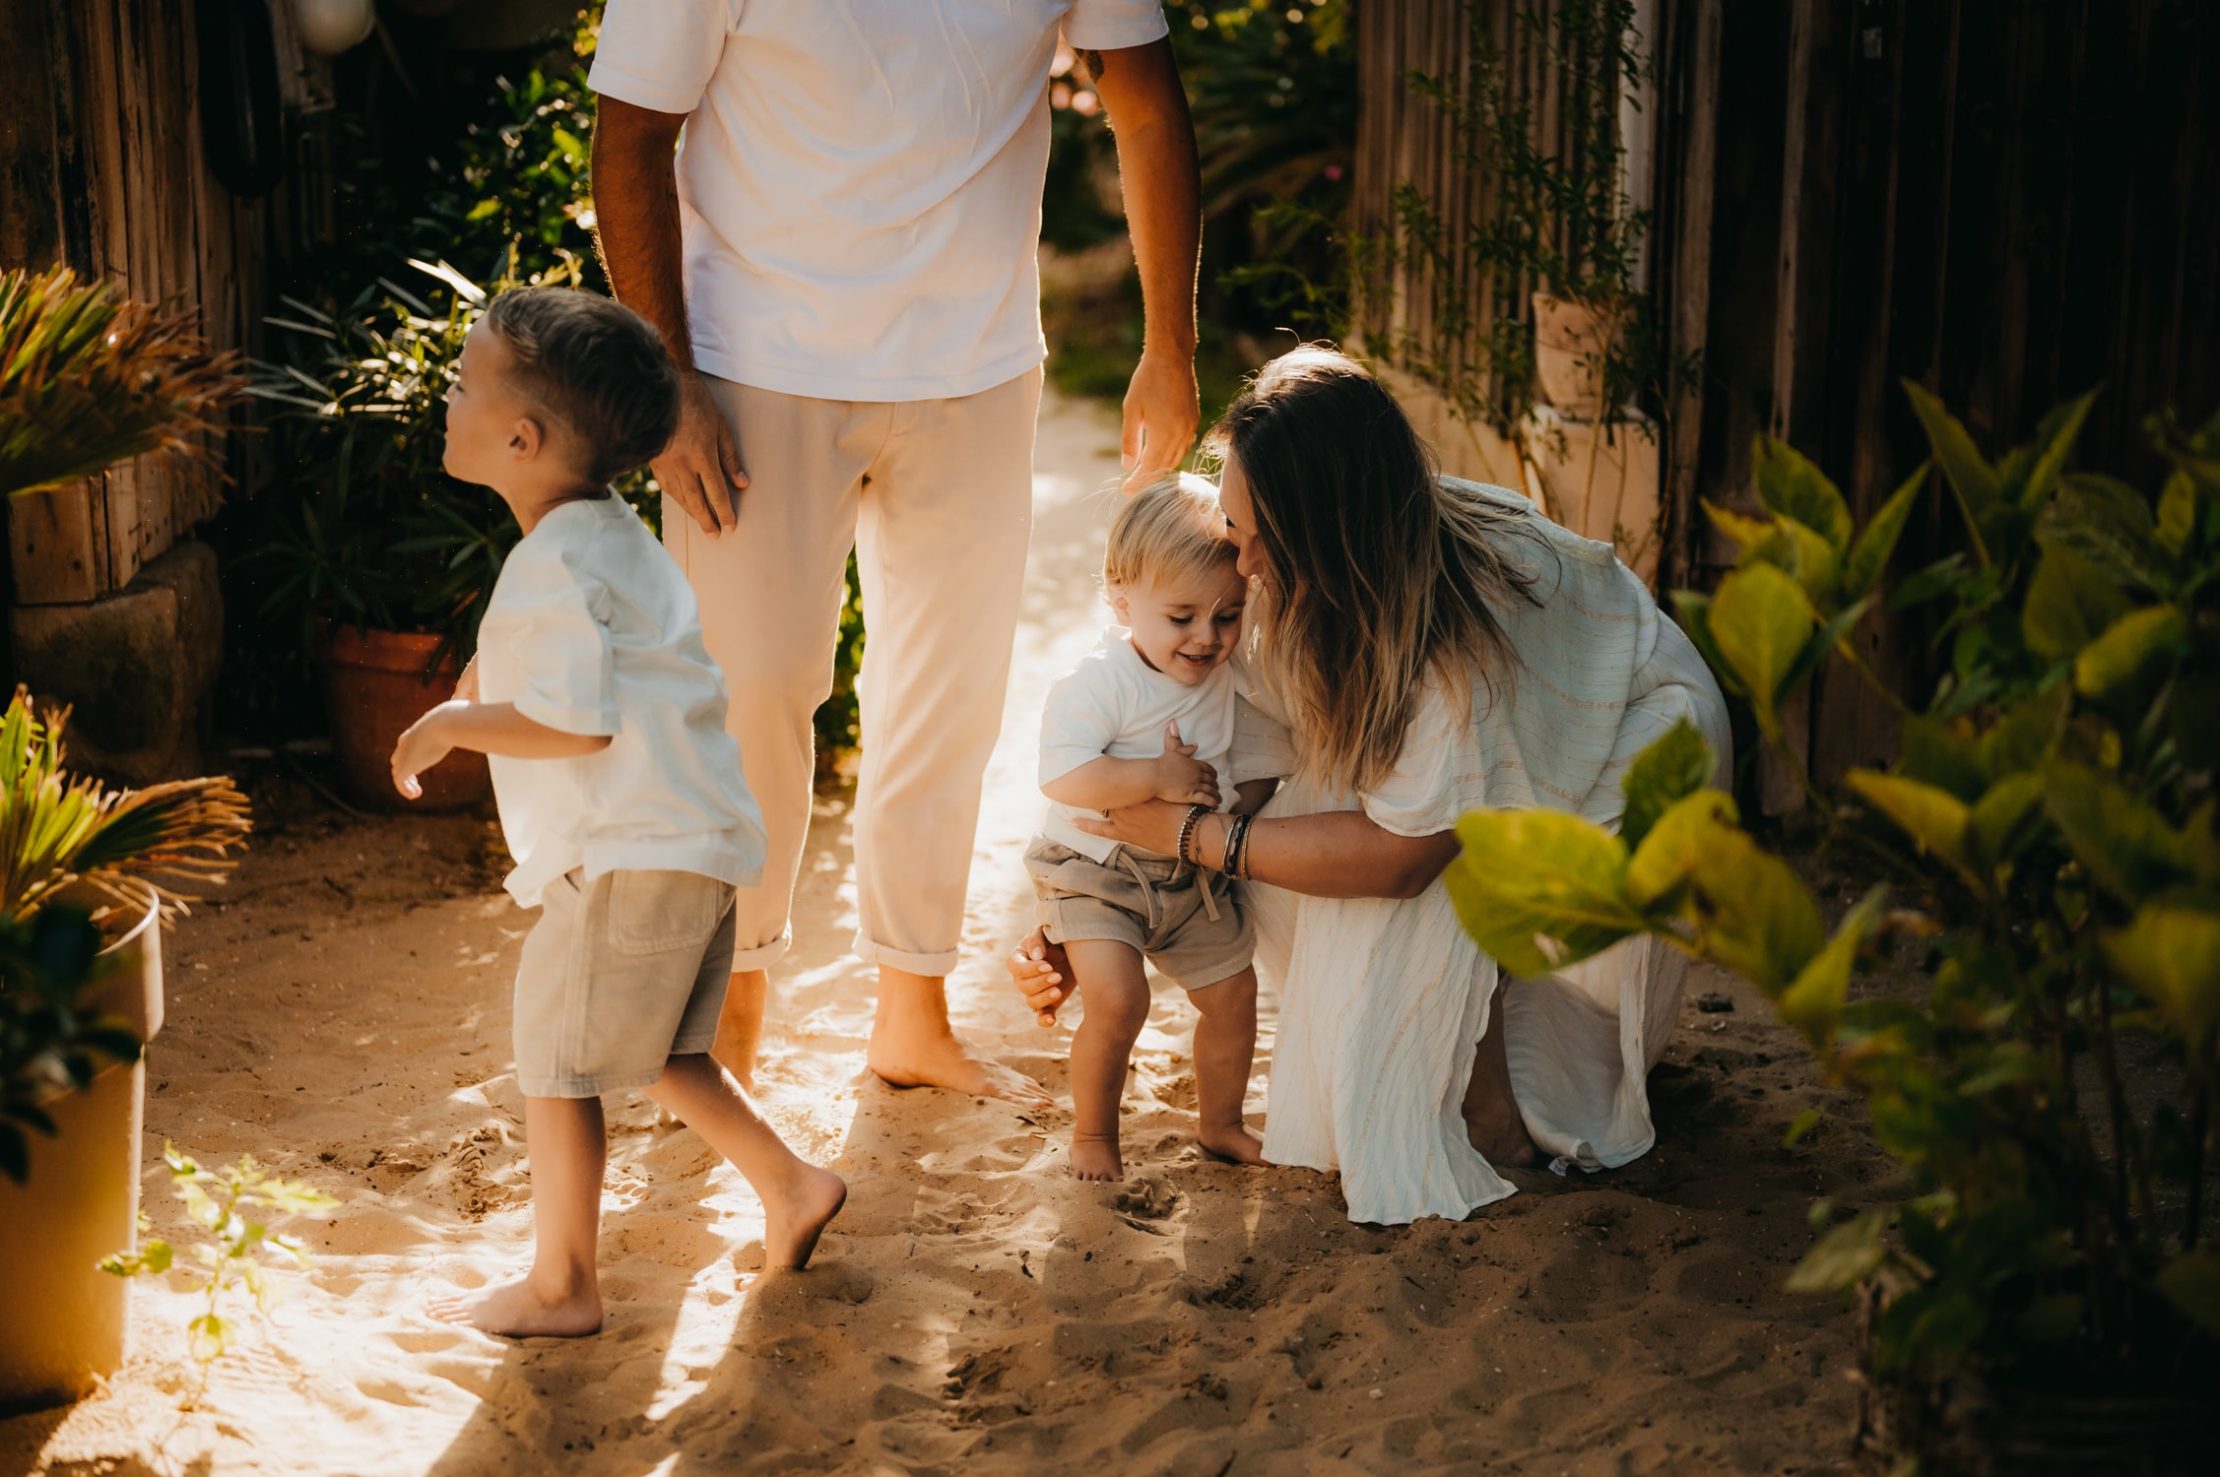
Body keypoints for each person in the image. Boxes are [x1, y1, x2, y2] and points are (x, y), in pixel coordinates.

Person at [588, 1, 1204, 1107]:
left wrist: (1170, 346)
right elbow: (630, 130)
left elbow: (1148, 106)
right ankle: (731, 1018)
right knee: (753, 690)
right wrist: (668, 381)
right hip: (747, 363)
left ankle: (911, 1015)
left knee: (946, 702)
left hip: (978, 362)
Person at [1013, 347, 1733, 1225]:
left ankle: (1495, 1111)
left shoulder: (1451, 650)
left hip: (1640, 748)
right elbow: (1227, 757)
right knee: (1298, 826)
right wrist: (1087, 910)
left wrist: (1192, 839)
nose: (1236, 565)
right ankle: (1472, 1058)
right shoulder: (1312, 574)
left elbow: (1405, 859)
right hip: (1477, 768)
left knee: (1395, 887)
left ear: (1316, 526)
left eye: (1247, 535)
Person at [392, 288, 846, 1336]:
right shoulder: (611, 538)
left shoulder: (553, 559)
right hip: (699, 839)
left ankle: (562, 1284)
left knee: (556, 1060)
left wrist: (454, 719)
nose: (447, 397)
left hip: (634, 850)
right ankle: (790, 1183)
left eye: (461, 383)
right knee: (660, 1056)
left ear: (521, 436)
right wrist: (484, 674)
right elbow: (603, 667)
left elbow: (579, 722)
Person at [1026, 478, 1271, 1181]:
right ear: (1122, 599)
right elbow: (1064, 777)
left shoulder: (1224, 673)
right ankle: (1095, 1134)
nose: (1206, 636)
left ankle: (1221, 1121)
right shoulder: (1099, 681)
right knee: (1119, 998)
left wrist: (1239, 804)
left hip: (1190, 875)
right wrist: (1155, 781)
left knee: (1233, 994)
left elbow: (1251, 760)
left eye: (1227, 616)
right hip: (1095, 872)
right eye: (1182, 615)